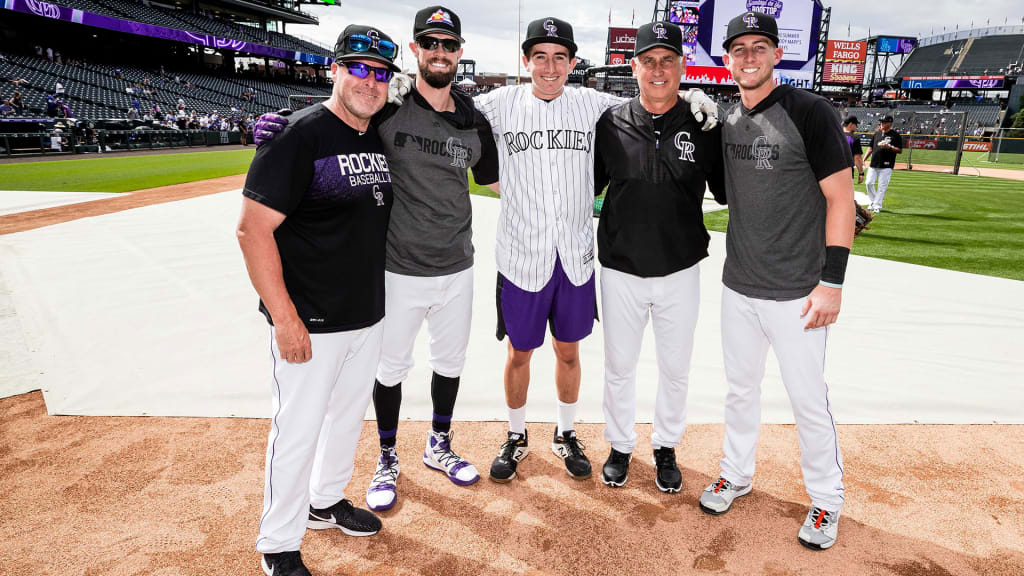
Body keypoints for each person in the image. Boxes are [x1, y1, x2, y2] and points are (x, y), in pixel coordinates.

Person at [253, 5, 501, 514]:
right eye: (429, 43)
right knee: (390, 369)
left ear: (459, 52)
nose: (439, 52)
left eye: (448, 45)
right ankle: (387, 456)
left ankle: (439, 444)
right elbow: (337, 125)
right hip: (397, 267)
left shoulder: (475, 119)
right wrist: (283, 127)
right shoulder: (388, 107)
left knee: (450, 363)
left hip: (457, 264)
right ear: (415, 51)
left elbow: (498, 181)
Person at [472, 16, 719, 484]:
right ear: (526, 60)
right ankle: (517, 434)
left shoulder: (592, 105)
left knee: (569, 352)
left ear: (572, 63)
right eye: (540, 56)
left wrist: (693, 97)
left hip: (576, 257)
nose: (549, 67)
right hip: (522, 255)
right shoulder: (500, 103)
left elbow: (653, 98)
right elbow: (451, 109)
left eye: (559, 57)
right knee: (520, 353)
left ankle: (566, 433)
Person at [236, 24, 399, 576]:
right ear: (335, 69)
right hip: (309, 319)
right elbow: (251, 230)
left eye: (380, 73)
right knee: (297, 429)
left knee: (347, 420)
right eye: (358, 68)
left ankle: (325, 501)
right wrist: (284, 317)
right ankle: (278, 542)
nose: (369, 82)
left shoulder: (376, 135)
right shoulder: (297, 135)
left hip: (365, 313)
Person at [698, 11, 854, 551]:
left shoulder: (810, 111)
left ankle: (827, 498)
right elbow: (721, 192)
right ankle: (736, 472)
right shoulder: (728, 119)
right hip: (738, 283)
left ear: (775, 54)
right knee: (740, 391)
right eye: (737, 49)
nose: (747, 58)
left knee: (808, 399)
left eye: (758, 47)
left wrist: (831, 282)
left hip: (797, 291)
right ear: (726, 59)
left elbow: (840, 199)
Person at [593, 21, 726, 493]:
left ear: (682, 66)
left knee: (675, 367)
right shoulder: (609, 122)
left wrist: (722, 116)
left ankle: (666, 445)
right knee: (619, 366)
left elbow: (729, 191)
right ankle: (620, 445)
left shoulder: (703, 123)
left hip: (681, 266)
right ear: (634, 67)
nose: (658, 69)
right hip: (620, 268)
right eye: (648, 60)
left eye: (667, 60)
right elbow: (587, 187)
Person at [863, 114, 902, 213]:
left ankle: (877, 205)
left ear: (890, 123)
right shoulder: (877, 134)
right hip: (874, 163)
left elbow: (899, 150)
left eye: (884, 122)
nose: (882, 123)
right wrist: (864, 159)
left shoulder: (895, 135)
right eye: (881, 122)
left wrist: (890, 147)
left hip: (887, 165)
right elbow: (871, 148)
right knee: (868, 183)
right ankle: (873, 201)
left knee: (882, 186)